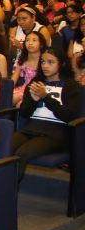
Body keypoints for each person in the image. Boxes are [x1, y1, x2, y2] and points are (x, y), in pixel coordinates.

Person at [12, 47, 82, 179]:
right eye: (43, 62)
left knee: (22, 153)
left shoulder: (71, 86)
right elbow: (24, 114)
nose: (45, 66)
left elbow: (69, 116)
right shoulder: (36, 83)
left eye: (51, 62)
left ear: (61, 63)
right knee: (5, 148)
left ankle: (8, 191)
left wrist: (46, 97)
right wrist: (33, 100)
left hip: (55, 134)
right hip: (30, 129)